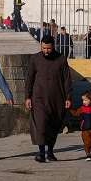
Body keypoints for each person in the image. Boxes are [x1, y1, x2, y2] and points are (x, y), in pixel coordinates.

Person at [25, 35, 72, 163]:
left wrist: (68, 97)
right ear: (41, 46)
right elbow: (29, 79)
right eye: (44, 48)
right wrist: (28, 97)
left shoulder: (61, 59)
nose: (46, 50)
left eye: (49, 48)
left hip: (57, 98)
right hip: (38, 98)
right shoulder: (35, 59)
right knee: (40, 125)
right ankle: (41, 153)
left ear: (53, 46)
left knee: (53, 124)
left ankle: (50, 153)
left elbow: (67, 79)